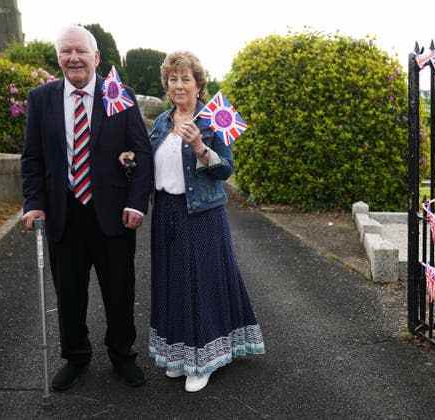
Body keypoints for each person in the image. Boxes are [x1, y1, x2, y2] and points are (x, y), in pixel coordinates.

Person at [121, 51, 264, 393]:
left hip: (201, 215)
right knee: (171, 283)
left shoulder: (213, 119)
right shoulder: (159, 123)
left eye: (186, 78)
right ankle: (180, 356)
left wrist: (200, 146)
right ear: (166, 84)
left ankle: (204, 361)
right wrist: (130, 160)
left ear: (199, 84)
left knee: (200, 285)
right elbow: (152, 167)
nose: (179, 85)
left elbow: (225, 170)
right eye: (173, 79)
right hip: (166, 213)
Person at [21, 25, 153, 391]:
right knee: (70, 294)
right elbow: (32, 158)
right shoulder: (41, 98)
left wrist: (137, 203)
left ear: (96, 58)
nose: (73, 58)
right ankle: (76, 356)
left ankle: (122, 355)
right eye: (66, 51)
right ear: (59, 57)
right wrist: (33, 203)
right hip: (64, 214)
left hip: (112, 215)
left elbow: (141, 153)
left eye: (81, 51)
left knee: (119, 292)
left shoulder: (119, 96)